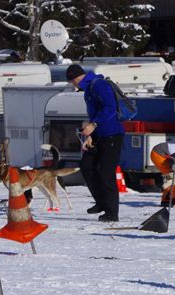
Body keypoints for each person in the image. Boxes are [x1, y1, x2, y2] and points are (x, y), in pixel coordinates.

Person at [65, 64, 124, 222]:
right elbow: (95, 112)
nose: (73, 85)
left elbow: (110, 108)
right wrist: (91, 135)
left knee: (106, 173)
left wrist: (93, 125)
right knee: (87, 166)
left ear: (76, 78)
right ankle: (101, 203)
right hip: (98, 135)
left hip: (112, 134)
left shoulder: (99, 85)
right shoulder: (89, 89)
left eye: (72, 82)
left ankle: (112, 213)